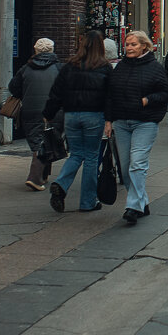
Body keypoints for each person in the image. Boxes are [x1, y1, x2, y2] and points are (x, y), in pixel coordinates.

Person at [105, 31, 168, 226]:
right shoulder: (120, 67)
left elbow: (165, 92)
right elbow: (110, 95)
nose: (129, 47)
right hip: (121, 122)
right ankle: (142, 202)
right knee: (125, 168)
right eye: (127, 44)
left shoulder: (154, 67)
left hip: (145, 122)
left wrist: (146, 100)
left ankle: (133, 207)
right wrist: (108, 121)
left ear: (144, 46)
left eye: (134, 44)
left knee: (137, 164)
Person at [44, 31, 111, 213]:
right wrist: (110, 119)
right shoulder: (104, 67)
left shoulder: (69, 66)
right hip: (94, 116)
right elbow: (109, 96)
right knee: (90, 157)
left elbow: (56, 92)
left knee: (75, 154)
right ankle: (88, 201)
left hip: (71, 115)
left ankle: (61, 183)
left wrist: (48, 113)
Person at [8, 39, 64, 191]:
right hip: (54, 111)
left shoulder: (26, 68)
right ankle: (35, 178)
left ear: (36, 51)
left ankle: (43, 176)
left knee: (39, 141)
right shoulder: (59, 68)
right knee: (47, 140)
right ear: (52, 50)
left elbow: (13, 87)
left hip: (30, 111)